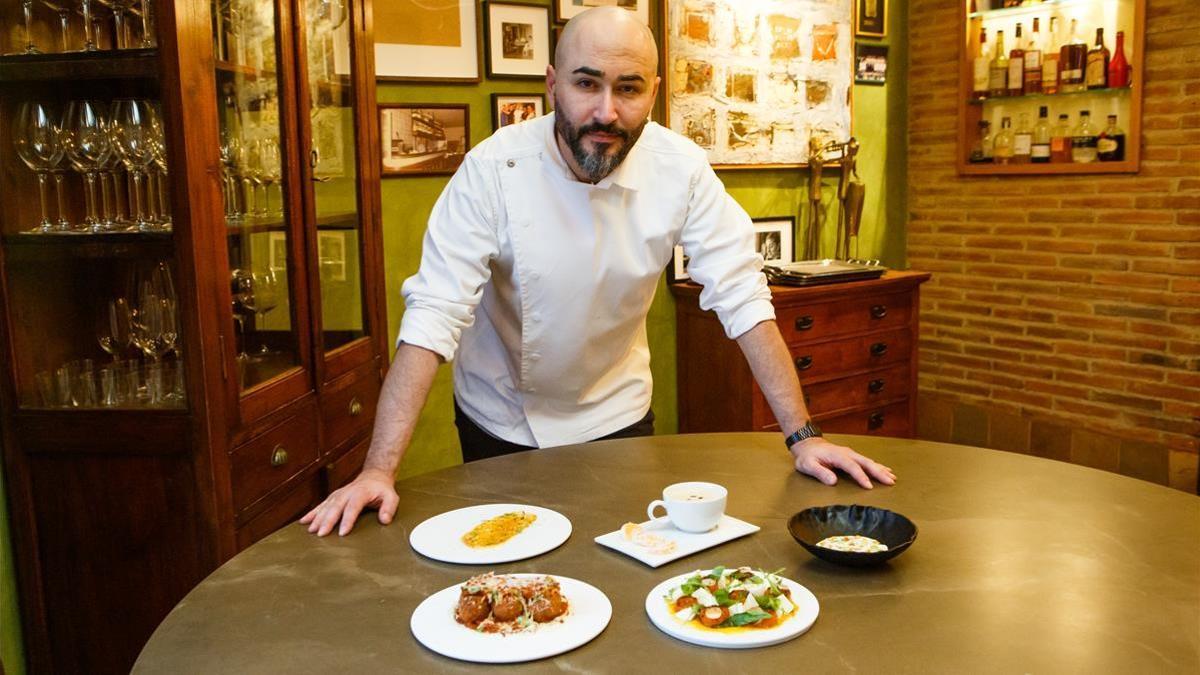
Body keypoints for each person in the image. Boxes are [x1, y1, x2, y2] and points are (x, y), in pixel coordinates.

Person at [301, 7, 895, 538]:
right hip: (500, 413)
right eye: (587, 84)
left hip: (618, 411)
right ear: (553, 85)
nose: (606, 111)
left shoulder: (681, 168)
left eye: (628, 89)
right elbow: (432, 318)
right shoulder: (492, 170)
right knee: (514, 567)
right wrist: (378, 470)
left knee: (624, 556)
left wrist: (803, 436)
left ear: (654, 93)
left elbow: (743, 297)